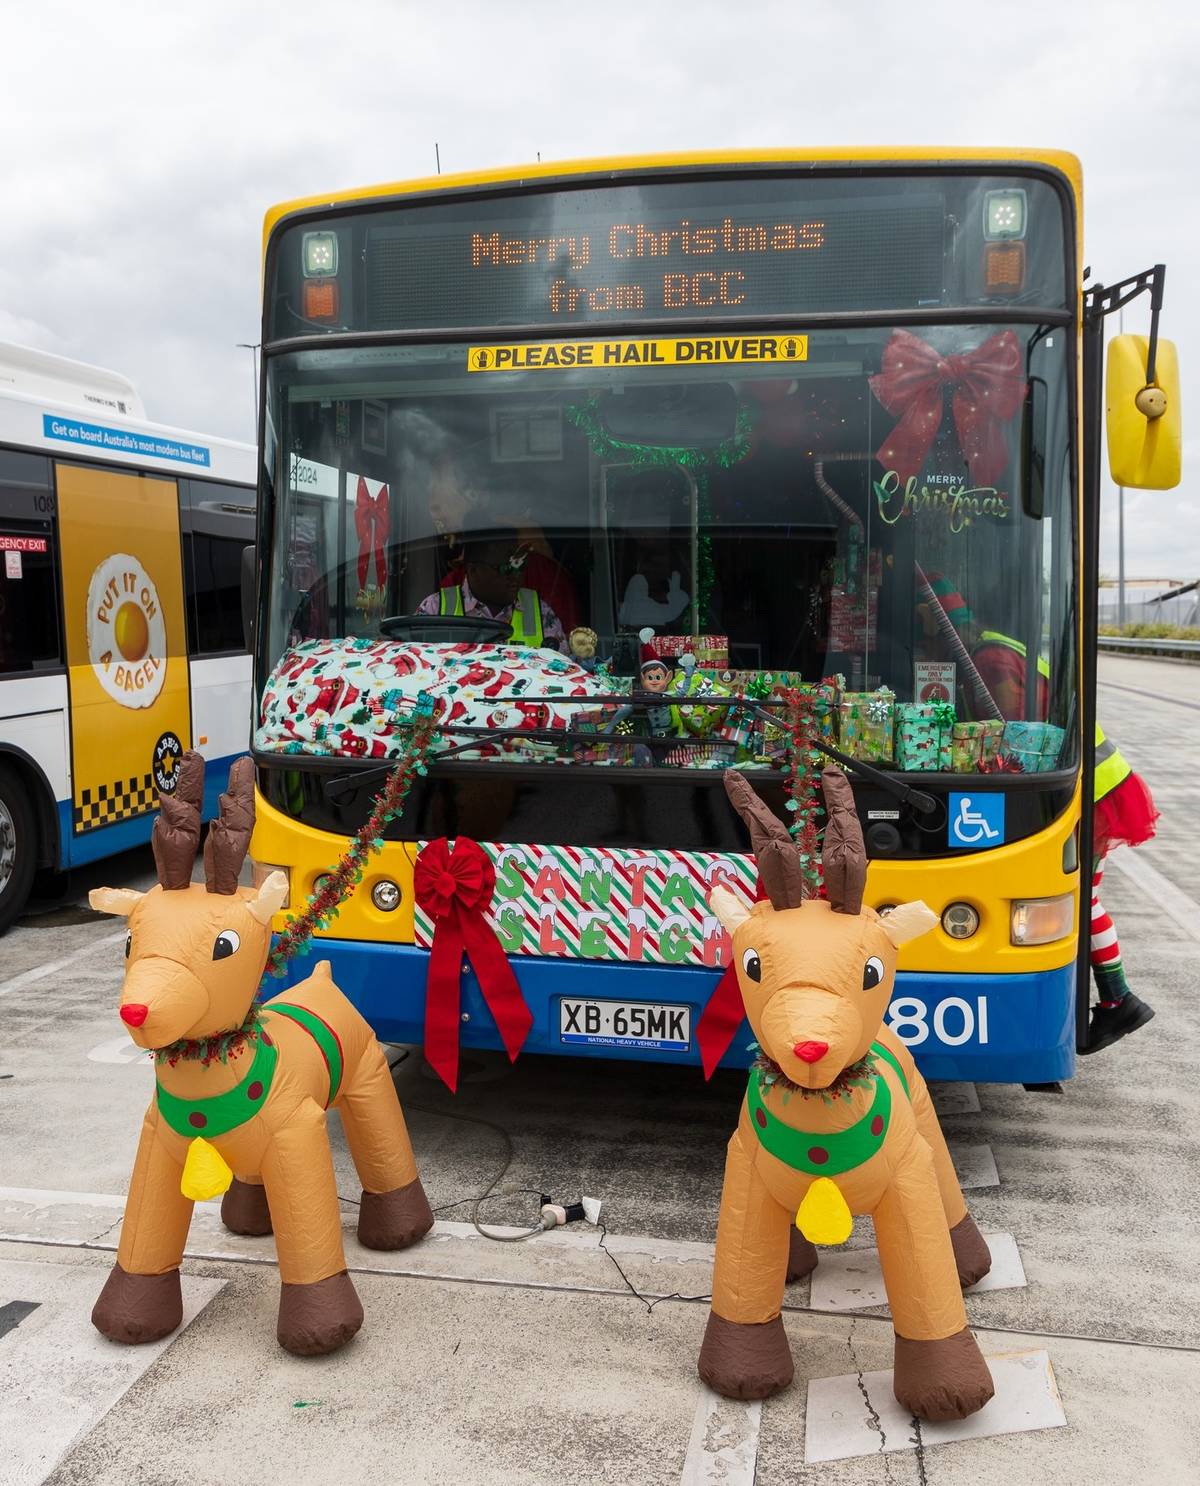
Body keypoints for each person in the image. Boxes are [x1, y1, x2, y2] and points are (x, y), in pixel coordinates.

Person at [920, 573, 1158, 1052]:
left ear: (949, 621)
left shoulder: (990, 659)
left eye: (930, 622)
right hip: (1100, 782)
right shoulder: (1003, 644)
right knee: (1086, 896)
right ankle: (1117, 998)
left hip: (1096, 789)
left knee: (1085, 899)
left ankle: (1119, 999)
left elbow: (1014, 727)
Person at [429, 451, 580, 634]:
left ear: (476, 495)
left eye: (436, 487)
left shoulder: (543, 595)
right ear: (473, 569)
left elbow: (569, 652)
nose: (433, 509)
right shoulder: (437, 604)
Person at [416, 528, 568, 652]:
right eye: (504, 568)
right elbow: (413, 667)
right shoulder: (434, 609)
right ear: (473, 570)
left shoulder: (541, 612)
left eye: (519, 566)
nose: (515, 575)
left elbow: (561, 670)